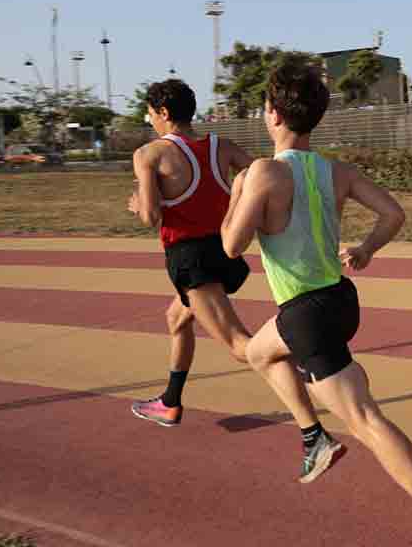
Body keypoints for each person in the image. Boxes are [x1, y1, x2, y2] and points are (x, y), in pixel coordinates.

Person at [220, 61, 412, 547]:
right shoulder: (335, 170)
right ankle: (314, 437)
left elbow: (231, 246)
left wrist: (237, 196)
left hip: (306, 313)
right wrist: (365, 248)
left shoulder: (263, 173)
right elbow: (393, 213)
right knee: (257, 352)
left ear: (273, 114)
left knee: (364, 418)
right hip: (339, 300)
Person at [126, 79, 340, 481]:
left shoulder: (148, 154)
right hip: (223, 256)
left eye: (150, 114)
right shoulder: (220, 147)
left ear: (164, 114)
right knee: (178, 319)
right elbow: (261, 171)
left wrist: (139, 203)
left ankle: (315, 421)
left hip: (192, 261)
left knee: (243, 348)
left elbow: (151, 217)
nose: (150, 121)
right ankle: (170, 401)